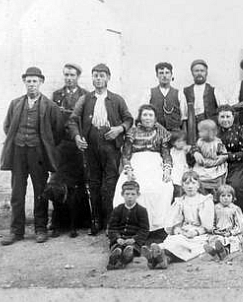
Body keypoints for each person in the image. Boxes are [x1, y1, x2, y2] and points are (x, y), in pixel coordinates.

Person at [0, 67, 64, 245]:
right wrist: (20, 140)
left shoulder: (50, 106)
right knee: (17, 192)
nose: (32, 85)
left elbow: (57, 132)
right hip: (18, 152)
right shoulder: (15, 104)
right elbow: (7, 127)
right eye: (29, 81)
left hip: (38, 154)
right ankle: (16, 231)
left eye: (35, 81)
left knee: (40, 192)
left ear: (41, 83)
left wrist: (44, 146)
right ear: (24, 82)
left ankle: (41, 228)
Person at [68, 63, 133, 234]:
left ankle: (111, 221)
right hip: (90, 147)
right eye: (95, 75)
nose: (98, 79)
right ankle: (96, 221)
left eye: (102, 75)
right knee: (94, 184)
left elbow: (128, 119)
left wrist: (119, 129)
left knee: (110, 183)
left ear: (108, 78)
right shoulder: (85, 99)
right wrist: (77, 136)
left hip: (111, 148)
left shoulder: (117, 99)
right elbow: (73, 120)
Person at [113, 104, 173, 232]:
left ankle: (157, 227)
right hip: (137, 163)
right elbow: (126, 155)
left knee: (163, 188)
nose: (147, 118)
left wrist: (167, 170)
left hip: (155, 164)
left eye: (150, 115)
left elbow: (166, 153)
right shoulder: (132, 132)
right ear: (140, 117)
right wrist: (128, 170)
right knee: (132, 190)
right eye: (144, 115)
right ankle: (132, 227)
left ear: (155, 118)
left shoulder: (161, 132)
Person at [143, 171, 215, 268]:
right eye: (187, 183)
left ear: (198, 185)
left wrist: (196, 232)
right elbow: (172, 220)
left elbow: (208, 225)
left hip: (199, 234)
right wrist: (176, 229)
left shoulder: (205, 200)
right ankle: (158, 259)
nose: (190, 186)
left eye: (193, 183)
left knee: (183, 245)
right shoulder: (180, 201)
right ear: (183, 186)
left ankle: (158, 258)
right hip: (184, 231)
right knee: (174, 240)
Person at [50, 63, 89, 237]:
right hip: (61, 144)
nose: (69, 78)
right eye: (66, 75)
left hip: (78, 144)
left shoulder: (85, 95)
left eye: (72, 75)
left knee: (78, 182)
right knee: (58, 182)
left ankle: (80, 220)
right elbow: (53, 119)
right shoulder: (57, 95)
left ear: (78, 77)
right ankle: (58, 222)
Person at [217, 105, 243, 222]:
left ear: (233, 117)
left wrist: (228, 156)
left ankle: (241, 221)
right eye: (222, 117)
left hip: (238, 165)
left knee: (235, 186)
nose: (225, 120)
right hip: (218, 165)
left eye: (228, 116)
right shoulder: (215, 132)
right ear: (218, 118)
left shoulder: (242, 130)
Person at [106, 181, 150, 270]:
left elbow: (144, 230)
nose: (130, 197)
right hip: (120, 240)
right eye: (127, 194)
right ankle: (116, 255)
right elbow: (112, 228)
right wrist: (117, 238)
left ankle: (125, 257)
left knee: (131, 249)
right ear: (122, 194)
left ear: (138, 195)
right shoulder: (117, 210)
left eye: (133, 194)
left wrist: (134, 239)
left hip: (134, 241)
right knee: (117, 248)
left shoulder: (142, 211)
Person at [183, 59, 228, 144]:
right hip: (192, 125)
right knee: (194, 147)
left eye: (202, 71)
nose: (199, 73)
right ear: (192, 73)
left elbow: (224, 109)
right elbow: (184, 113)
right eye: (196, 71)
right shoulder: (185, 91)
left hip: (210, 125)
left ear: (206, 72)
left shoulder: (214, 90)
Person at [140, 62, 188, 132]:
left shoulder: (179, 94)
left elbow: (184, 118)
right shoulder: (149, 93)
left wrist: (184, 135)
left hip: (175, 133)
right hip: (155, 132)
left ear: (171, 75)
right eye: (161, 73)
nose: (164, 76)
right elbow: (142, 115)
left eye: (167, 73)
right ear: (157, 75)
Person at [204, 184, 243, 261]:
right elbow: (211, 222)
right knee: (217, 240)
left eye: (228, 196)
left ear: (233, 197)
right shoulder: (215, 208)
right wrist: (215, 230)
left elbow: (239, 225)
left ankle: (225, 253)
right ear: (218, 197)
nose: (226, 198)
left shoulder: (235, 209)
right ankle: (215, 252)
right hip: (218, 232)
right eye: (223, 196)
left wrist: (231, 232)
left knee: (233, 241)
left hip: (231, 233)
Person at [192, 119, 228, 196]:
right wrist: (196, 153)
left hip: (215, 165)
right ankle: (202, 193)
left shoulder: (217, 142)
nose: (199, 133)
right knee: (197, 177)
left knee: (217, 179)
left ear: (210, 132)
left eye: (201, 131)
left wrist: (216, 161)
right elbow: (194, 148)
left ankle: (215, 195)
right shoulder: (200, 141)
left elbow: (224, 155)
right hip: (202, 165)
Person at [169, 130, 190, 198]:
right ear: (173, 143)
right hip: (175, 175)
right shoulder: (171, 152)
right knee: (177, 192)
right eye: (178, 141)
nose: (182, 143)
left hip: (184, 173)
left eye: (183, 141)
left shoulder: (185, 150)